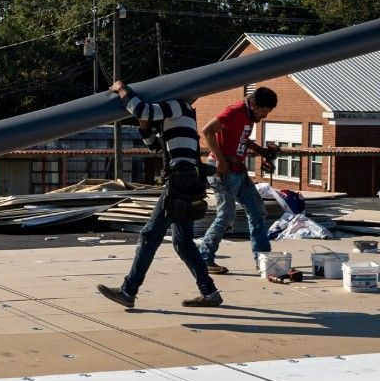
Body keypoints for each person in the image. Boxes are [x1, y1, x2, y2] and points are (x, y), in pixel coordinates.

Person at [97, 80, 222, 309]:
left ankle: (128, 290)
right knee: (183, 243)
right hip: (186, 180)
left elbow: (142, 109)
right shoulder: (179, 116)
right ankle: (210, 292)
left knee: (149, 236)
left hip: (178, 182)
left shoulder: (178, 106)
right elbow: (156, 147)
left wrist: (122, 89)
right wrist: (145, 129)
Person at [198, 86, 279, 274]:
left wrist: (262, 151)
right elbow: (207, 130)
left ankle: (263, 258)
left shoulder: (249, 118)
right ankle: (204, 258)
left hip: (238, 170)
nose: (264, 116)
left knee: (258, 211)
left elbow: (242, 139)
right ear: (253, 104)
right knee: (225, 216)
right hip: (224, 172)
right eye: (264, 111)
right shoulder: (234, 112)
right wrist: (219, 159)